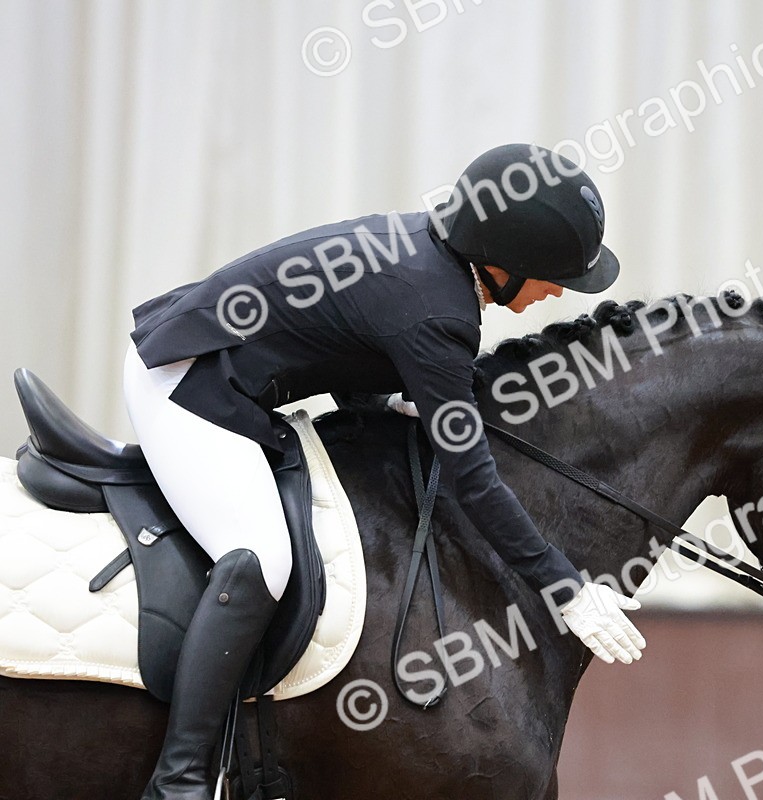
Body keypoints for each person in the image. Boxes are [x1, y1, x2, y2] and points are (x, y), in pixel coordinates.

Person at [123, 143, 647, 800]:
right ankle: (178, 779)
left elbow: (338, 334)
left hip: (231, 369)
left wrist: (395, 397)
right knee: (261, 559)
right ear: (500, 264)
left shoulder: (430, 262)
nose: (554, 294)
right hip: (185, 384)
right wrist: (564, 588)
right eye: (550, 278)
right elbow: (473, 479)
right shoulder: (437, 308)